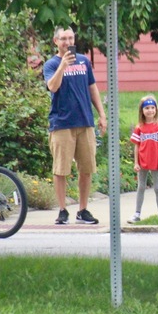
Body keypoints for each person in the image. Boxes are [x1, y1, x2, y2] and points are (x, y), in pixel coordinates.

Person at [43, 27, 107, 225]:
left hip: (85, 121)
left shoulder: (83, 61)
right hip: (62, 123)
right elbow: (52, 86)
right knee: (61, 169)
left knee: (86, 168)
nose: (67, 42)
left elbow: (92, 87)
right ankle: (62, 210)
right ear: (55, 41)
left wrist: (102, 114)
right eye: (63, 39)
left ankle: (83, 209)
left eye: (70, 38)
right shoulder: (51, 64)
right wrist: (62, 66)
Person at [128, 95, 158, 223]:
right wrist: (136, 162)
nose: (150, 110)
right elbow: (136, 146)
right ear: (142, 110)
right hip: (143, 162)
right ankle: (137, 213)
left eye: (153, 107)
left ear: (156, 109)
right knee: (141, 187)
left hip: (156, 162)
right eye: (147, 108)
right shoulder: (139, 127)